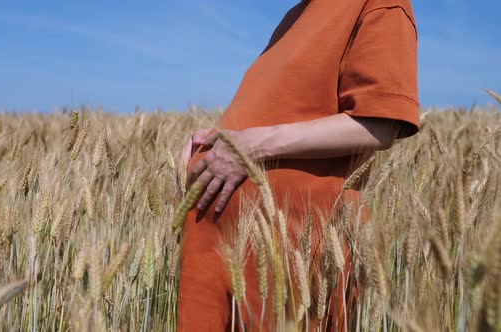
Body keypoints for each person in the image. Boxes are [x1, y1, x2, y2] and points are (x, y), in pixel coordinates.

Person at [176, 0, 420, 330]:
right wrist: (213, 141)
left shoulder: (378, 3)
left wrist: (252, 146)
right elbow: (279, 113)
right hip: (219, 261)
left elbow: (380, 124)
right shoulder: (293, 18)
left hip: (292, 271)